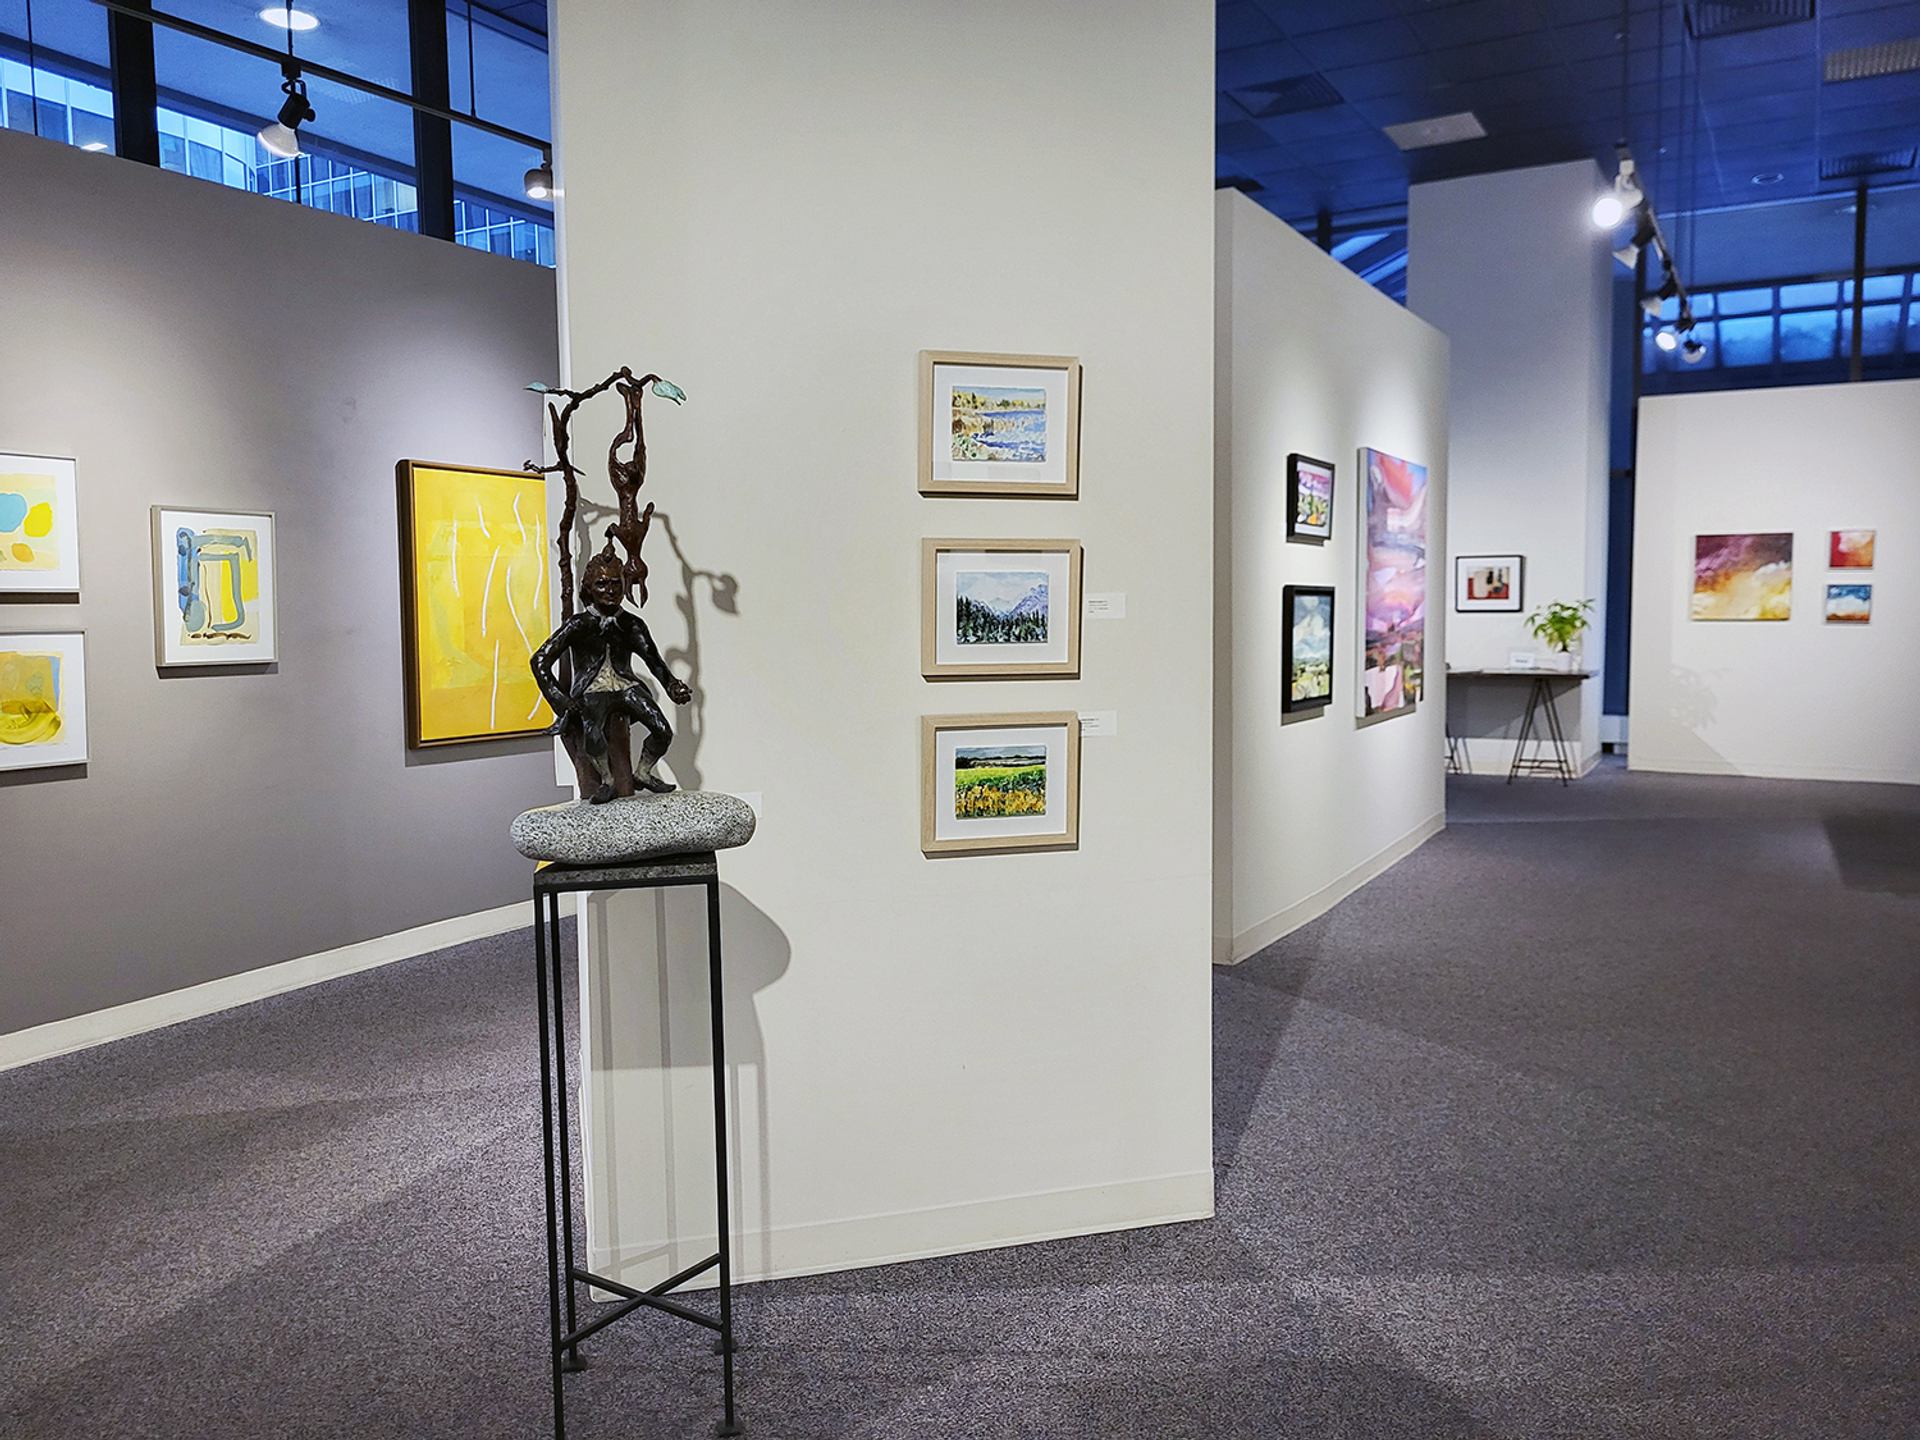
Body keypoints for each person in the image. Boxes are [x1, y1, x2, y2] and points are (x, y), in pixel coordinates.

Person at [531, 543, 693, 804]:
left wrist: (672, 686)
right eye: (602, 585)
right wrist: (561, 701)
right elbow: (539, 660)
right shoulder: (578, 625)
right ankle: (607, 780)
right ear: (589, 589)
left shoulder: (632, 624)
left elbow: (653, 661)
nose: (611, 591)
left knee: (662, 729)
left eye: (616, 584)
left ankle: (643, 772)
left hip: (625, 687)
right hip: (592, 689)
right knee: (592, 731)